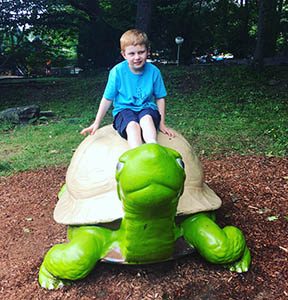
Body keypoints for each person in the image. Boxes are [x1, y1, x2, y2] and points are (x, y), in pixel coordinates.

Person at [81, 29, 174, 148]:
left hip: (146, 109)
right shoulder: (117, 72)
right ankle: (137, 152)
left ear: (148, 51)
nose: (137, 57)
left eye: (141, 52)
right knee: (132, 126)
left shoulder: (154, 72)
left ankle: (153, 147)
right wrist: (96, 123)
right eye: (132, 53)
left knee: (147, 119)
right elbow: (107, 99)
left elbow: (160, 98)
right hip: (124, 110)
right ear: (124, 54)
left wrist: (161, 124)